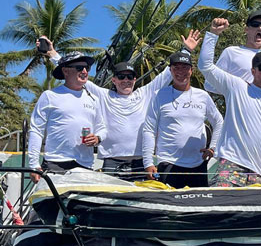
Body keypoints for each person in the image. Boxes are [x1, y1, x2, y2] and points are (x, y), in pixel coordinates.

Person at [41, 34, 198, 180]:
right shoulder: (103, 95)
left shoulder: (145, 93)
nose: (126, 80)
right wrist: (52, 53)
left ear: (135, 79)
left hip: (140, 163)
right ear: (114, 80)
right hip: (111, 163)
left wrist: (186, 50)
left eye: (130, 77)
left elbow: (168, 74)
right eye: (121, 77)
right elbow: (77, 76)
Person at [196, 18, 261, 186]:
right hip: (231, 166)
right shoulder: (237, 87)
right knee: (220, 209)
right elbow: (205, 66)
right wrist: (213, 34)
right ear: (253, 71)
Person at [141, 49, 223, 188]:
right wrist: (148, 163)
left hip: (198, 165)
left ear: (191, 70)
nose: (181, 72)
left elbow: (219, 121)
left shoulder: (202, 96)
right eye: (176, 68)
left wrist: (213, 147)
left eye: (185, 68)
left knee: (198, 207)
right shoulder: (159, 95)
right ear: (171, 71)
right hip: (168, 163)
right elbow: (149, 129)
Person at [27, 52, 107, 183]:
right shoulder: (49, 96)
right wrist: (33, 165)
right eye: (79, 68)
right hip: (56, 163)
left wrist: (98, 138)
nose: (85, 71)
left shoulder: (94, 99)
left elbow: (102, 128)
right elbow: (36, 130)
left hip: (85, 165)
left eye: (87, 68)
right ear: (65, 71)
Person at [203, 10, 261, 94]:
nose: (260, 28)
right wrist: (237, 88)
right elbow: (209, 85)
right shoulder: (231, 52)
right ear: (246, 29)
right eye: (255, 24)